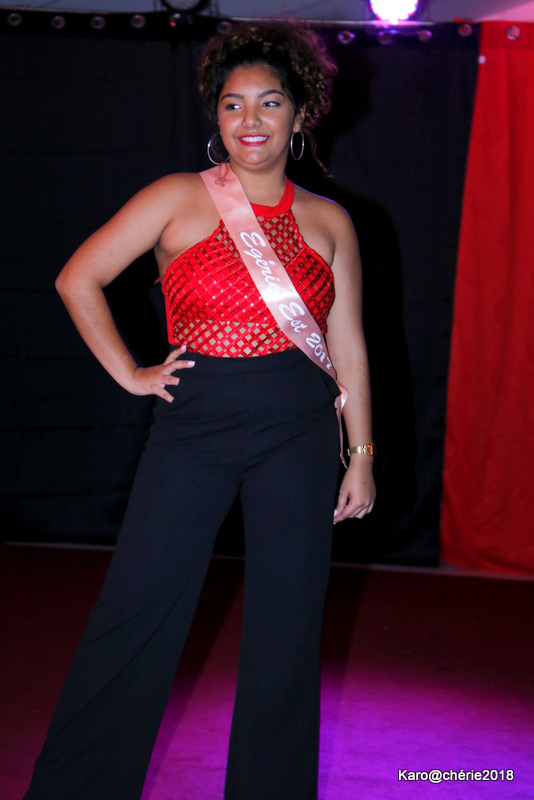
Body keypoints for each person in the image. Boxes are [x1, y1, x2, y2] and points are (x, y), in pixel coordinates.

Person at [24, 19, 375, 800]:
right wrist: (130, 372)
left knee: (288, 628)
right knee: (138, 610)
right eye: (232, 104)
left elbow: (348, 342)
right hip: (196, 425)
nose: (251, 120)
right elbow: (78, 278)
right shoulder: (178, 198)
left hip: (300, 430)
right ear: (216, 116)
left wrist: (361, 454)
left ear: (299, 112)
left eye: (269, 102)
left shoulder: (330, 221)